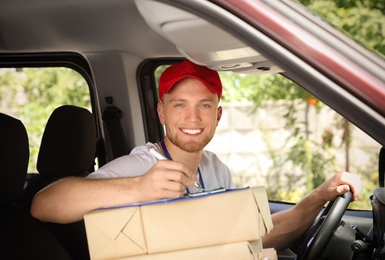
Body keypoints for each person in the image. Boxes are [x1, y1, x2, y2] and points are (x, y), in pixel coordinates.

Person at [31, 59, 361, 251]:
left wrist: (320, 196)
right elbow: (44, 205)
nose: (192, 118)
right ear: (162, 113)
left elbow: (256, 234)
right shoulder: (140, 165)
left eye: (204, 106)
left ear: (218, 115)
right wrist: (137, 188)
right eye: (180, 106)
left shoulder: (216, 168)